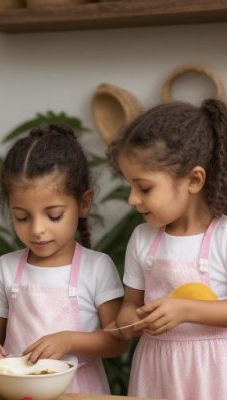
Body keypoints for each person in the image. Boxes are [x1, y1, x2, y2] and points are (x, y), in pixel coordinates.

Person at [0, 124, 126, 394]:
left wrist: (69, 341)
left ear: (84, 203)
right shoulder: (6, 267)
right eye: (22, 217)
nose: (37, 229)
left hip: (80, 391)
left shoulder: (97, 267)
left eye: (53, 215)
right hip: (18, 392)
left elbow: (117, 343)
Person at [107, 99, 227, 399]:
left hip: (214, 372)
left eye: (144, 188)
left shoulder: (223, 237)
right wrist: (128, 319)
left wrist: (185, 309)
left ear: (194, 180)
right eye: (129, 187)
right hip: (157, 371)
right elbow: (130, 305)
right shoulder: (142, 239)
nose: (132, 199)